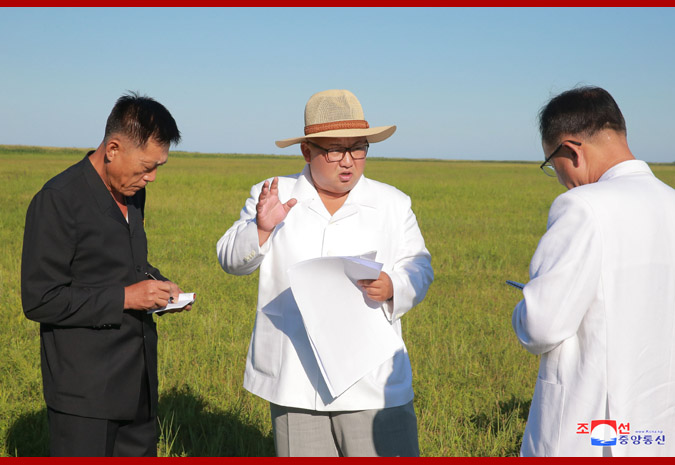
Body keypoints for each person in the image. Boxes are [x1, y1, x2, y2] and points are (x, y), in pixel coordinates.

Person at [217, 89, 433, 456]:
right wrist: (261, 229)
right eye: (334, 150)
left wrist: (393, 285)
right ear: (307, 151)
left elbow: (419, 266)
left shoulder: (392, 204)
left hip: (372, 380)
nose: (348, 162)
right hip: (296, 379)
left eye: (358, 148)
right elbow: (230, 259)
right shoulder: (274, 193)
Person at [21, 92, 191, 457]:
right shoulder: (58, 200)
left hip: (139, 386)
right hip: (85, 399)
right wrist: (127, 298)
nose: (152, 177)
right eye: (146, 166)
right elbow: (40, 299)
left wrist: (158, 285)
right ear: (113, 149)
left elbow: (125, 265)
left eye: (159, 166)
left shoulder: (132, 193)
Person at [512, 86, 675, 456]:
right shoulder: (671, 202)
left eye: (552, 165)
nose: (560, 178)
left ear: (571, 150)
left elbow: (541, 327)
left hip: (590, 431)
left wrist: (526, 305)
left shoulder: (583, 207)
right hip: (657, 430)